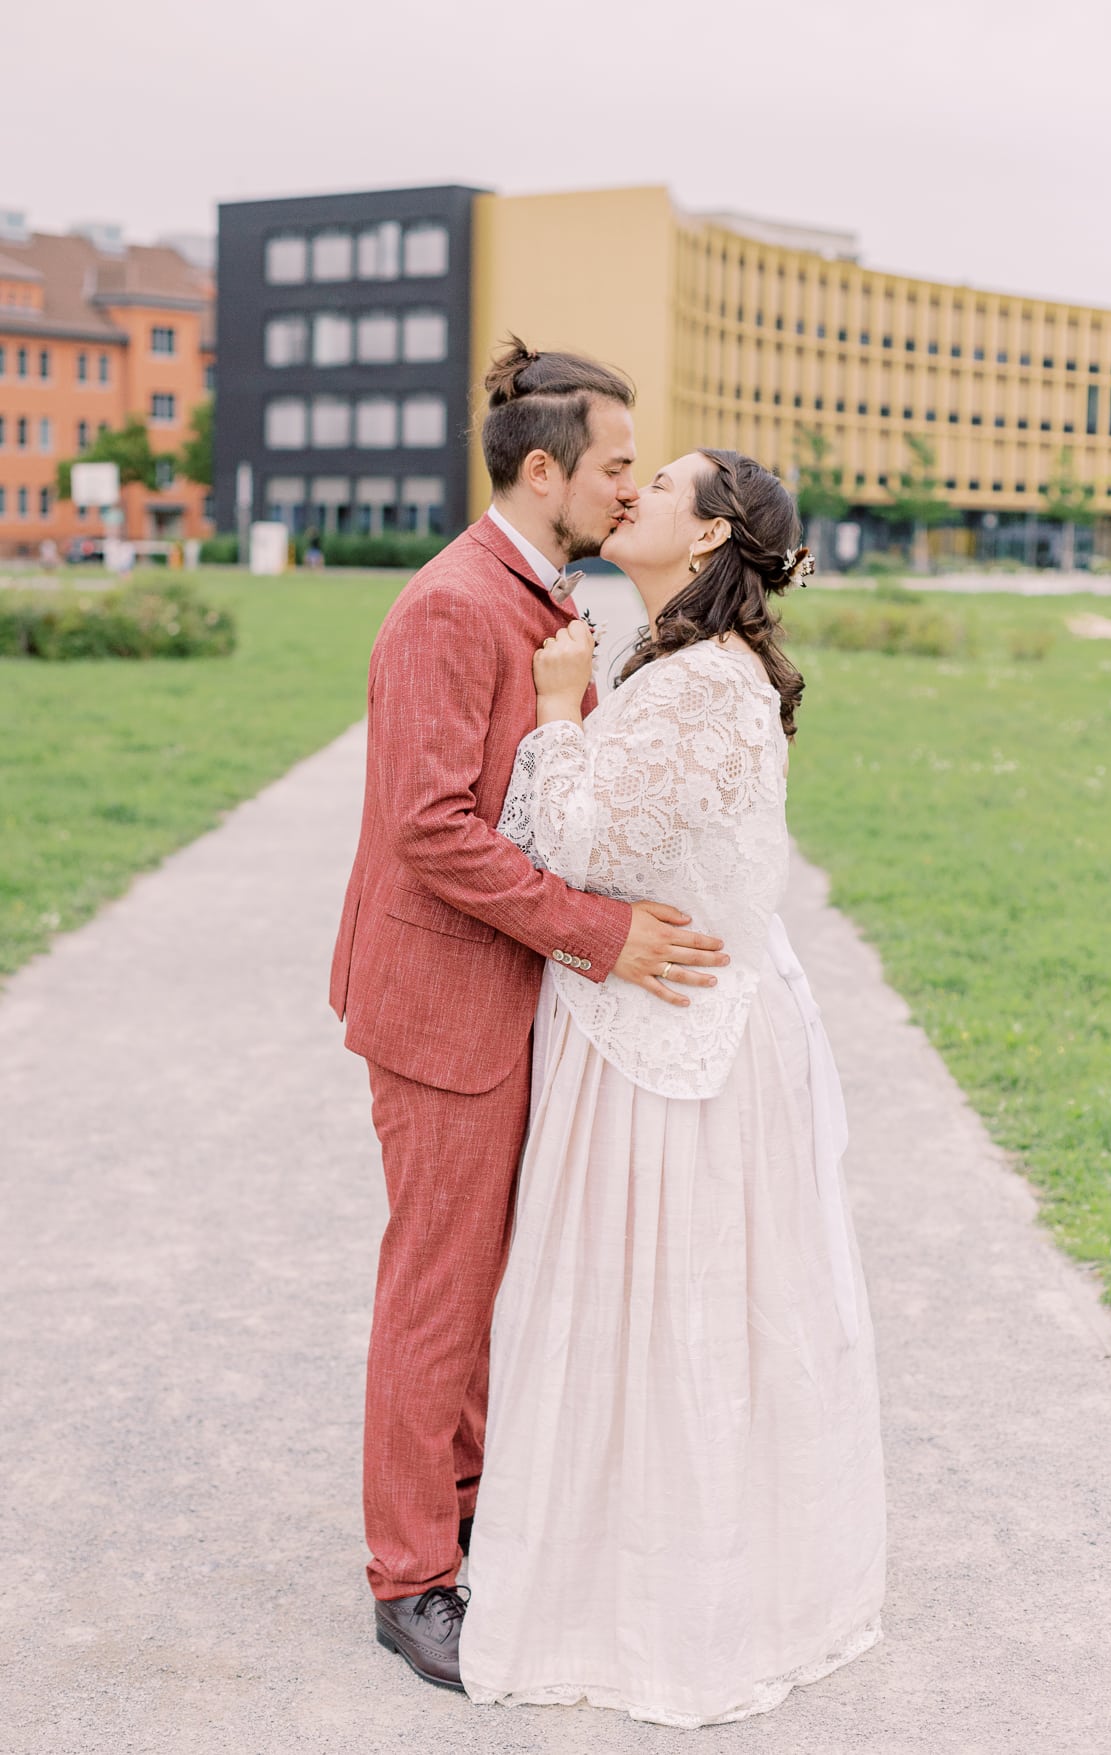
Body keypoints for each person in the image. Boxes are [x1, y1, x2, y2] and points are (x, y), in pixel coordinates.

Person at [459, 449, 887, 1726]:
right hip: (665, 1023)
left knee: (660, 1319)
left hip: (668, 1049)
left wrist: (552, 708)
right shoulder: (687, 668)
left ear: (707, 540)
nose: (629, 494)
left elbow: (573, 842)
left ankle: (656, 1610)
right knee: (661, 1317)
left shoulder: (699, 682)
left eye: (661, 488)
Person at [329, 341, 730, 1689]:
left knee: (486, 1283)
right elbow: (430, 830)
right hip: (443, 1001)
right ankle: (411, 1576)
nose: (629, 486)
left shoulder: (538, 591)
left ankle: (472, 1514)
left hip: (503, 996)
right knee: (436, 1293)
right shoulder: (451, 605)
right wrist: (601, 934)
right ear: (543, 466)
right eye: (617, 464)